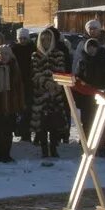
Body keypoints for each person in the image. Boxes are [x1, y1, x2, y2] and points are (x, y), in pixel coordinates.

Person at [31, 28, 68, 158]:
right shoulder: (35, 55)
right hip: (40, 93)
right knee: (41, 123)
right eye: (43, 39)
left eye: (48, 39)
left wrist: (55, 86)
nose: (46, 42)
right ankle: (43, 149)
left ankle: (53, 147)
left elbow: (61, 71)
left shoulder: (59, 54)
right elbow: (35, 73)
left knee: (54, 123)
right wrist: (45, 83)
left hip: (55, 93)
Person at [74, 38, 105, 145]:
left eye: (93, 47)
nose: (91, 50)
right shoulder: (82, 61)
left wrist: (104, 89)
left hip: (100, 94)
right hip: (86, 96)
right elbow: (77, 77)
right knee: (86, 120)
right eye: (89, 47)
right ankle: (85, 140)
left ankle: (100, 143)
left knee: (100, 119)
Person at [11, 29, 36, 142]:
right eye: (20, 38)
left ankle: (28, 133)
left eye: (24, 38)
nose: (22, 40)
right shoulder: (13, 49)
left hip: (30, 82)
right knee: (19, 109)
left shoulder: (33, 48)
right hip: (17, 81)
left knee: (29, 108)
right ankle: (21, 132)